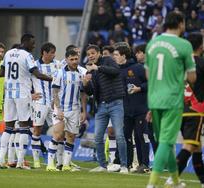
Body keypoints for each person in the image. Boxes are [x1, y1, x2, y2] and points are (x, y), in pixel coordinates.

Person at [145, 11, 196, 188]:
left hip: (154, 99)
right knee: (167, 142)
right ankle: (152, 184)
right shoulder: (184, 45)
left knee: (164, 142)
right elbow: (192, 78)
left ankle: (175, 181)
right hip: (172, 99)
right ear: (181, 24)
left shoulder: (152, 43)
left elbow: (147, 73)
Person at [0, 34, 52, 169]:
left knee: (8, 128)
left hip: (9, 93)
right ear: (25, 42)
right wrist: (52, 79)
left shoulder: (9, 53)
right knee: (24, 127)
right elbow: (37, 74)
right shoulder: (27, 56)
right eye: (32, 43)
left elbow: (1, 73)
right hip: (22, 94)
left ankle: (0, 161)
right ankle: (20, 162)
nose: (34, 46)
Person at [165, 32, 204, 187]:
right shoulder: (200, 63)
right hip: (196, 109)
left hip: (178, 108)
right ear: (201, 46)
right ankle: (173, 178)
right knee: (189, 145)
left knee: (196, 147)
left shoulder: (180, 63)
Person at [83, 44, 128, 173]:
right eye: (88, 54)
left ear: (99, 53)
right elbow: (91, 92)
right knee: (97, 137)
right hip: (101, 106)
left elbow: (116, 71)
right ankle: (103, 165)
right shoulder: (90, 70)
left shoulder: (108, 60)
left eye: (93, 53)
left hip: (115, 103)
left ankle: (124, 166)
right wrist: (86, 84)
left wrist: (98, 68)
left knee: (119, 135)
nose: (90, 56)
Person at [46, 49, 87, 171]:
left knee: (71, 137)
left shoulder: (81, 73)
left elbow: (83, 94)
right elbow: (55, 92)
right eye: (72, 59)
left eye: (76, 59)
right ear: (67, 59)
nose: (74, 61)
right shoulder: (59, 73)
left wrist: (84, 111)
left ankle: (66, 165)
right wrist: (58, 109)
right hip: (61, 109)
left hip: (75, 109)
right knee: (57, 135)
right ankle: (50, 164)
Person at [113, 42, 150, 173]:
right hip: (125, 110)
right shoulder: (116, 70)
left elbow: (151, 82)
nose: (114, 57)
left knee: (141, 137)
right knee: (125, 137)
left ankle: (144, 164)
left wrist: (140, 88)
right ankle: (126, 164)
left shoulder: (138, 68)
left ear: (124, 56)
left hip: (141, 109)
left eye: (116, 55)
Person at [31, 42, 58, 168]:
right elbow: (24, 81)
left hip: (54, 104)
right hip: (40, 103)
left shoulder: (57, 65)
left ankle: (59, 161)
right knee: (37, 130)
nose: (53, 55)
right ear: (44, 53)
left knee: (59, 132)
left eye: (54, 52)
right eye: (51, 52)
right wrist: (30, 95)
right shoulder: (34, 65)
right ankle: (36, 161)